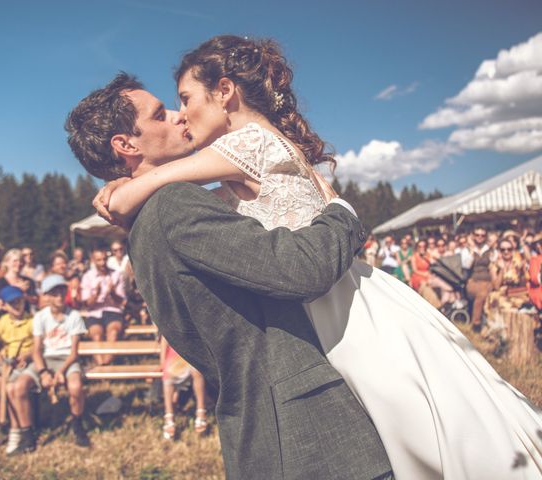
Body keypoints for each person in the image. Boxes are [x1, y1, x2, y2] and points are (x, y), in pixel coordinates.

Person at [84, 35, 542, 479]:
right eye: (168, 107)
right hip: (335, 303)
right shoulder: (204, 183)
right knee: (426, 426)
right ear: (126, 144)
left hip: (335, 305)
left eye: (184, 99)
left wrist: (124, 189)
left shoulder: (244, 145)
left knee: (417, 427)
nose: (180, 113)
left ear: (225, 92)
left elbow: (153, 191)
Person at [66, 70, 393, 479]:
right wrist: (342, 214)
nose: (177, 115)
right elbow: (302, 269)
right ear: (126, 144)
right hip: (306, 432)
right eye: (158, 114)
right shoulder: (173, 205)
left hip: (262, 428)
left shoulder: (145, 221)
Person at [33, 274, 90, 447]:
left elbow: (74, 353)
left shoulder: (74, 316)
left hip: (66, 359)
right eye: (54, 293)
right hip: (47, 359)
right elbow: (36, 350)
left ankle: (77, 423)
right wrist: (43, 372)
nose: (58, 297)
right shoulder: (40, 317)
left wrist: (60, 372)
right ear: (47, 296)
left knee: (75, 387)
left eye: (61, 292)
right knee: (24, 383)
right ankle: (32, 424)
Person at [0, 286, 36, 455]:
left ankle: (28, 437)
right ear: (4, 305)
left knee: (18, 388)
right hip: (10, 364)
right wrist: (4, 356)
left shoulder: (33, 321)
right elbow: (2, 344)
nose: (17, 306)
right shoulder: (3, 322)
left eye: (19, 301)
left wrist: (26, 356)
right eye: (12, 303)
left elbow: (39, 346)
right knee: (9, 389)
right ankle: (20, 430)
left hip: (30, 362)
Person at [80, 249, 126, 365]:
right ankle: (102, 365)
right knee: (96, 334)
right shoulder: (88, 277)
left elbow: (122, 302)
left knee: (113, 332)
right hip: (95, 312)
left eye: (104, 259)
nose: (102, 263)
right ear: (93, 261)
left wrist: (112, 293)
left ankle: (106, 364)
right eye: (99, 260)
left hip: (113, 311)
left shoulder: (116, 274)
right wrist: (96, 294)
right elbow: (87, 304)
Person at [159, 336, 207, 440]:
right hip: (175, 354)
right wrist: (162, 360)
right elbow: (165, 338)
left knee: (197, 371)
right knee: (168, 374)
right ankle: (169, 417)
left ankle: (201, 411)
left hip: (193, 352)